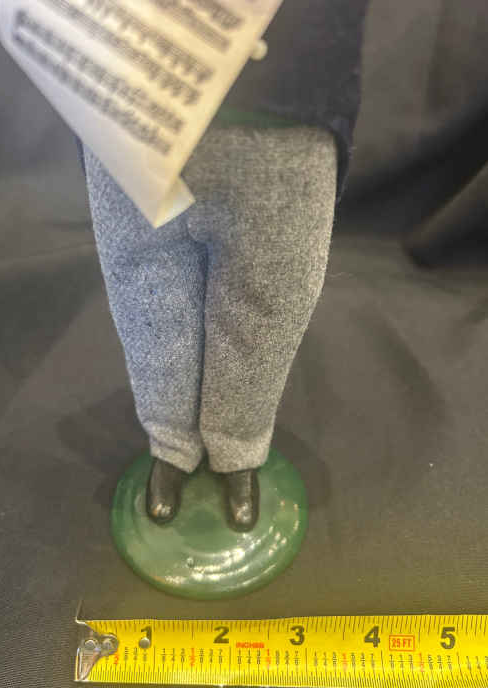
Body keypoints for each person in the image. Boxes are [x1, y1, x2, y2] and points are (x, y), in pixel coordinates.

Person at [81, 0, 368, 531]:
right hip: (127, 85)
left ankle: (238, 446)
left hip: (287, 94)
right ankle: (170, 442)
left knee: (269, 297)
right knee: (147, 291)